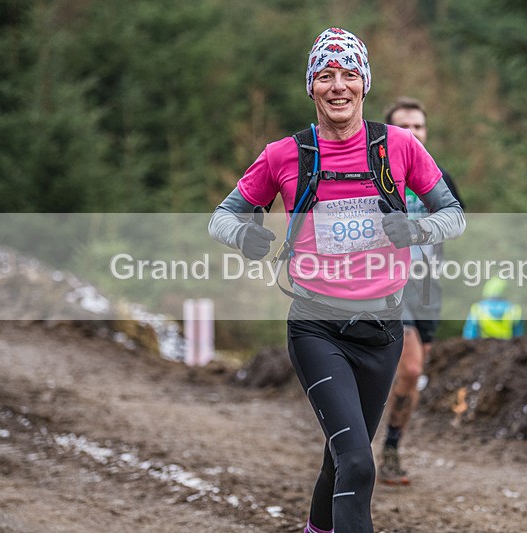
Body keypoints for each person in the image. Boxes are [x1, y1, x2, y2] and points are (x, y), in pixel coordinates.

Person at [208, 28, 464, 533]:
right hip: (316, 326)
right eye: (325, 76)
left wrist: (414, 228)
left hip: (384, 328)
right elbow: (222, 217)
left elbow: (453, 215)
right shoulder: (286, 154)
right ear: (311, 87)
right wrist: (245, 237)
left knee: (341, 457)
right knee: (359, 462)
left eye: (349, 74)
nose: (338, 85)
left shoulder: (400, 148)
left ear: (365, 84)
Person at [377, 97, 465, 486]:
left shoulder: (439, 176)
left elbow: (458, 221)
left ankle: (392, 447)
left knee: (413, 376)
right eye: (404, 127)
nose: (413, 134)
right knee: (409, 367)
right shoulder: (376, 174)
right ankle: (361, 440)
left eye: (419, 127)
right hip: (388, 281)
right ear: (389, 132)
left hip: (428, 283)